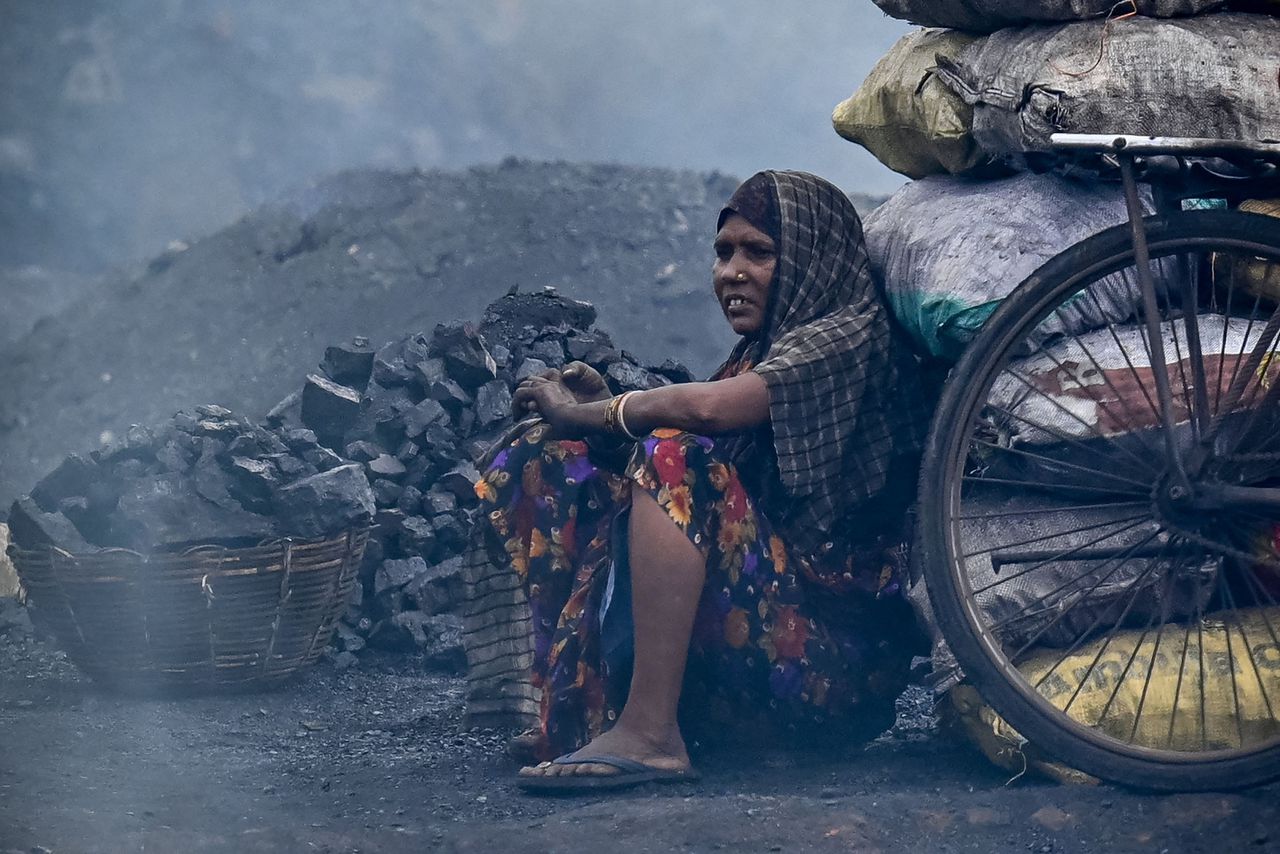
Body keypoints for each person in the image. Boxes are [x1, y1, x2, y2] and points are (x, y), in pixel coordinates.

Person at [473, 170, 929, 793]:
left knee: (672, 460)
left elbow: (705, 419)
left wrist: (597, 411)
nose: (731, 273)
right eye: (723, 253)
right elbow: (713, 466)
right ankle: (586, 708)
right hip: (762, 636)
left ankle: (651, 734)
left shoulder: (848, 333)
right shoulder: (762, 351)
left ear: (813, 258)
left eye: (758, 252)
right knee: (549, 455)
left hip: (830, 673)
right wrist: (598, 426)